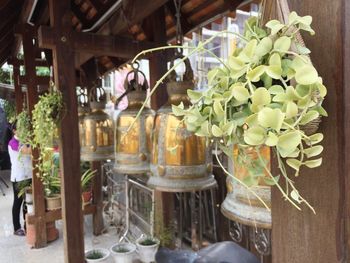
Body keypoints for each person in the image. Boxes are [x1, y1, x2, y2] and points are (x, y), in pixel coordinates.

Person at [8, 122, 32, 236]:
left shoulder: (25, 141)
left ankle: (28, 225)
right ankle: (16, 228)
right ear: (15, 131)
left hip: (29, 175)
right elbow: (27, 151)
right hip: (19, 178)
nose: (23, 130)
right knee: (18, 202)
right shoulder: (13, 142)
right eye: (21, 129)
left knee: (29, 201)